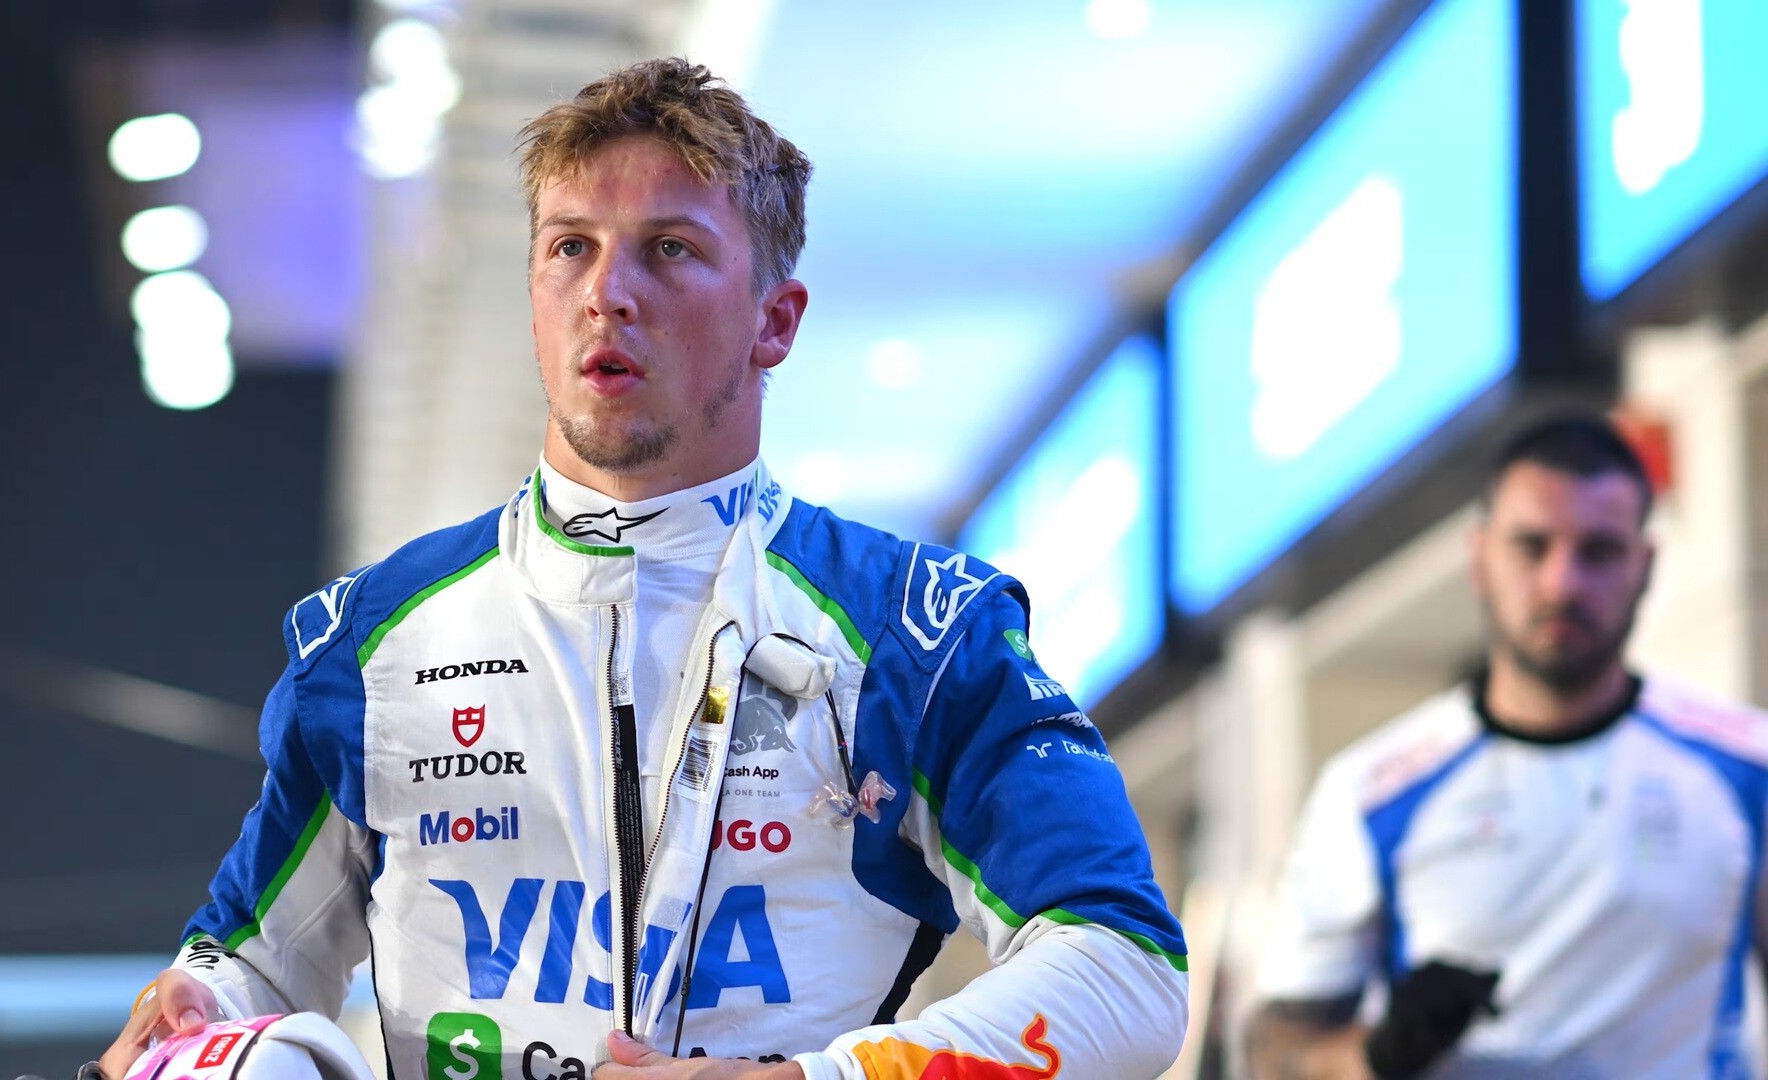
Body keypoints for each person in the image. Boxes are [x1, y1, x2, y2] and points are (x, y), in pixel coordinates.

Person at [96, 58, 1187, 1080]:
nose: (607, 292)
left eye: (669, 249)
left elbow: (1128, 961)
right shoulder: (367, 641)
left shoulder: (921, 630)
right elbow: (250, 963)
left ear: (774, 321)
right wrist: (197, 1000)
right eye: (570, 246)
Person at [1247, 414, 1768, 1079]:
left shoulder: (1748, 766)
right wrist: (1377, 1054)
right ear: (1479, 557)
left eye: (1599, 551)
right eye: (1532, 546)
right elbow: (1271, 1053)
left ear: (1645, 566)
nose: (1563, 583)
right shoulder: (1369, 791)